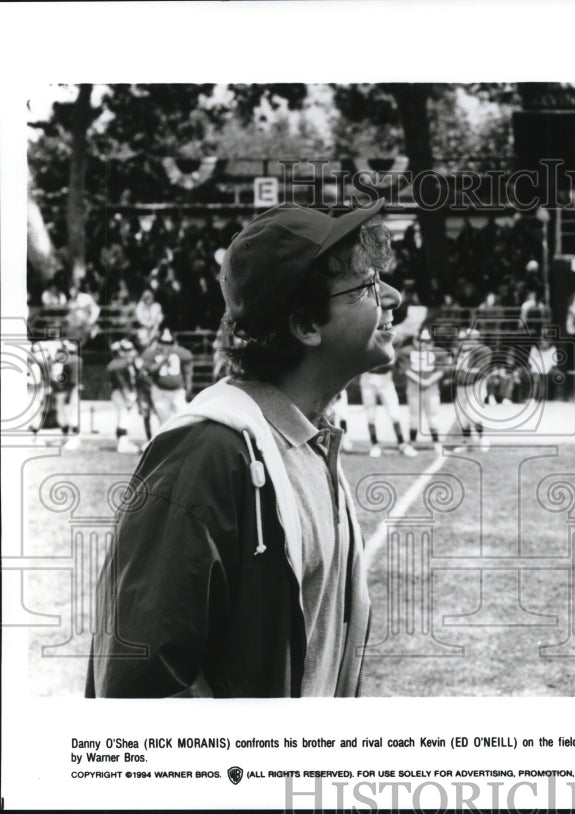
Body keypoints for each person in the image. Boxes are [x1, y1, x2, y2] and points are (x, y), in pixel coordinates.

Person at [86, 201, 400, 697]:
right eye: (367, 287)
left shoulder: (312, 441)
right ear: (305, 325)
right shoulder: (205, 456)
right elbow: (138, 697)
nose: (394, 297)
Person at [359, 362, 417, 458]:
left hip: (385, 378)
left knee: (394, 414)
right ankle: (374, 445)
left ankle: (402, 443)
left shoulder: (393, 347)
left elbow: (392, 362)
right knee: (371, 415)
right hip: (367, 378)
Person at [403, 327, 445, 454]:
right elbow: (406, 370)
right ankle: (412, 442)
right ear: (415, 340)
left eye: (427, 341)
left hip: (431, 388)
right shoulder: (406, 352)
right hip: (414, 387)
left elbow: (441, 371)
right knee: (414, 416)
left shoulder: (438, 352)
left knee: (432, 416)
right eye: (420, 340)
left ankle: (436, 442)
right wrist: (421, 381)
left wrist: (429, 381)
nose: (424, 344)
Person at [140, 328, 194, 426]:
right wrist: (163, 360)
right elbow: (150, 370)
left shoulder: (182, 353)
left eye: (169, 342)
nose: (166, 345)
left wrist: (188, 387)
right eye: (163, 342)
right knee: (164, 420)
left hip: (177, 391)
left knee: (183, 419)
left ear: (174, 343)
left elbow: (187, 371)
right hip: (160, 391)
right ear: (158, 342)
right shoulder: (150, 353)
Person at [453, 328, 491, 451]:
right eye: (461, 340)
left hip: (475, 386)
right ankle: (466, 442)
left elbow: (481, 371)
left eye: (467, 339)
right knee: (462, 417)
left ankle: (482, 438)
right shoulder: (459, 351)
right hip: (461, 387)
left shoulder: (482, 350)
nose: (463, 342)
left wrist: (464, 372)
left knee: (473, 413)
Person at [107, 339, 141, 453]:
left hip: (119, 392)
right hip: (121, 392)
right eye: (127, 350)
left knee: (123, 416)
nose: (130, 352)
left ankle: (123, 442)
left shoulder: (120, 363)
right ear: (120, 351)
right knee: (124, 416)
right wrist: (129, 394)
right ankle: (123, 444)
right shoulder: (120, 364)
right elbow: (122, 383)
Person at [49, 339, 82, 450]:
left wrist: (69, 394)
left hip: (69, 391)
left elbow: (72, 381)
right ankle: (68, 438)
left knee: (70, 414)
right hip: (65, 391)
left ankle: (73, 439)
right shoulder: (64, 362)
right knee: (64, 416)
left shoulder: (73, 361)